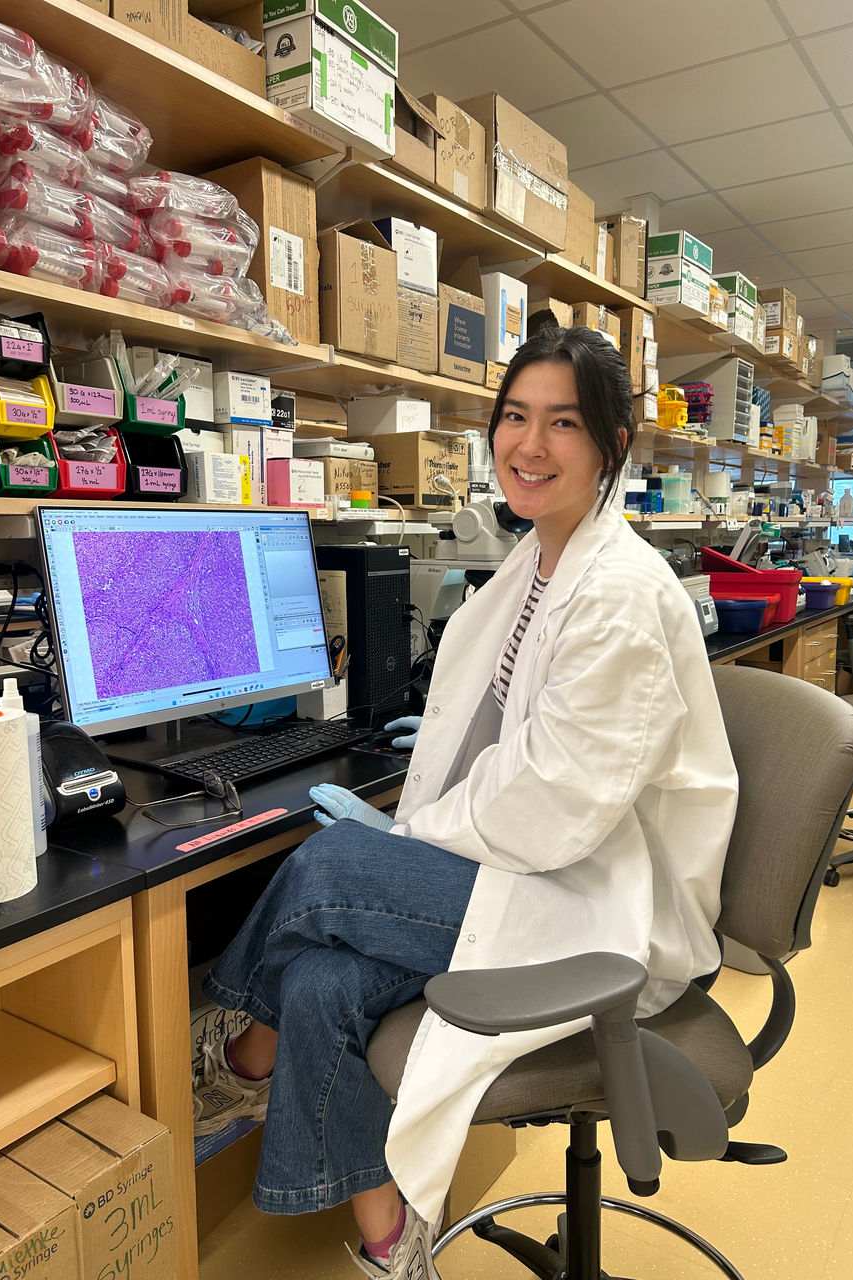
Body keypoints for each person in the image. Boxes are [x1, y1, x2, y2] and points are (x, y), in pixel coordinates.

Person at [193, 324, 739, 1279]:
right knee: (324, 981)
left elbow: (557, 804)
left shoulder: (620, 592)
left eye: (563, 423)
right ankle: (393, 1246)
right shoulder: (536, 561)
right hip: (526, 864)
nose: (529, 446)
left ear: (612, 444)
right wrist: (439, 783)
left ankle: (239, 1055)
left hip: (597, 901)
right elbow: (501, 727)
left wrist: (406, 831)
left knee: (322, 870)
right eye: (515, 418)